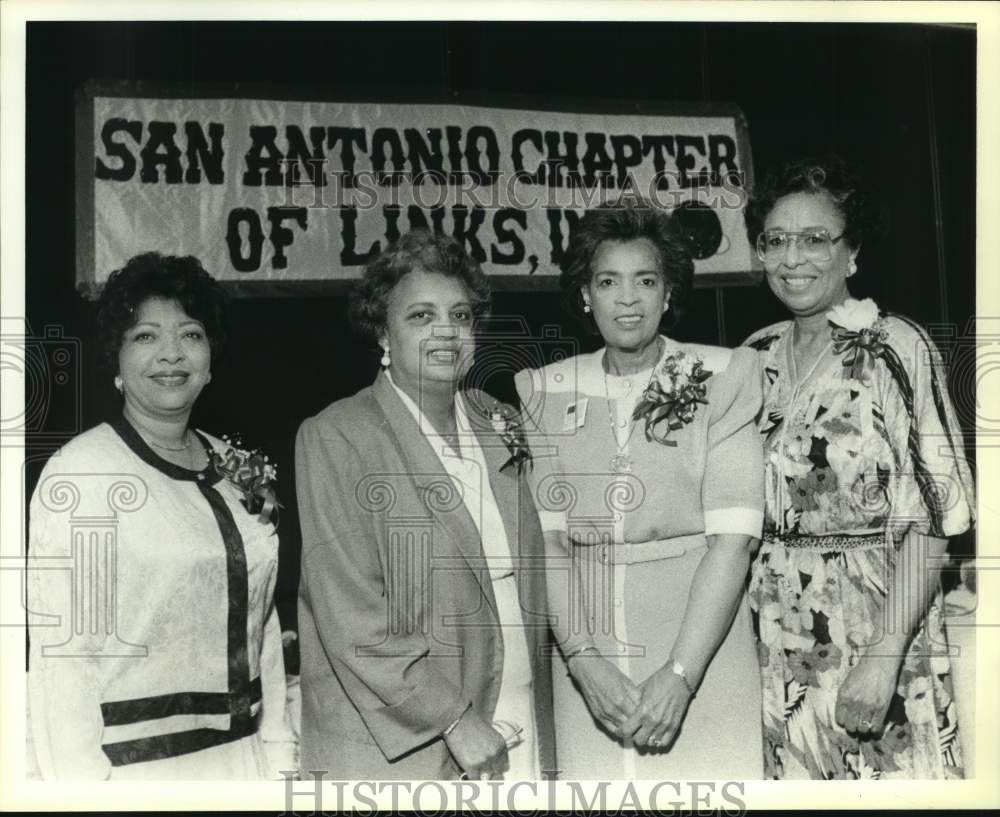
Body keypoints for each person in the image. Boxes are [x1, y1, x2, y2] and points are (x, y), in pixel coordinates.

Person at [514, 197, 765, 779]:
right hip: (587, 663)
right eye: (608, 281)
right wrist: (583, 662)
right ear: (585, 294)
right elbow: (548, 545)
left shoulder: (723, 376)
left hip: (701, 654)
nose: (627, 298)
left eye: (645, 280)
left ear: (669, 292)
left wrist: (681, 675)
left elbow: (734, 544)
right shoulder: (542, 392)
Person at [742, 156, 975, 779]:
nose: (794, 258)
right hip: (772, 638)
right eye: (777, 240)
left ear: (852, 254)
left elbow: (935, 518)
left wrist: (883, 656)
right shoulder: (751, 357)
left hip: (873, 627)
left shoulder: (895, 347)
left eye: (816, 239)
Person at [295, 229, 556, 780]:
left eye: (460, 316)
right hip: (411, 740)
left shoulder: (496, 416)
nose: (446, 331)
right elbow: (352, 616)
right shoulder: (337, 435)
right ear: (382, 333)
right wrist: (455, 720)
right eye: (421, 316)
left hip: (518, 707)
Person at [26, 252, 296, 780]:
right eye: (146, 336)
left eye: (190, 335)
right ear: (117, 362)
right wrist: (82, 789)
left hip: (243, 763)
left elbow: (262, 623)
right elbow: (65, 660)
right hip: (134, 773)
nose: (171, 354)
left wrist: (279, 750)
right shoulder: (83, 475)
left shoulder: (237, 467)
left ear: (211, 357)